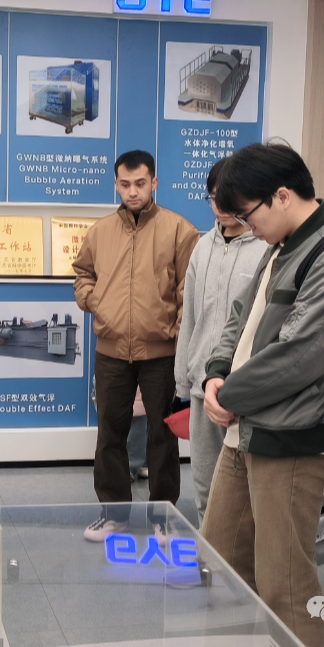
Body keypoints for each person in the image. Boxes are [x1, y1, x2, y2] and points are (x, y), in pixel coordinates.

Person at [200, 142, 324, 647]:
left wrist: (229, 394)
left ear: (281, 196)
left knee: (286, 586)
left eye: (247, 214)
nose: (245, 226)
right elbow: (241, 317)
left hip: (293, 437)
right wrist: (216, 373)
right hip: (250, 426)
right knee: (222, 560)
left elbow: (299, 357)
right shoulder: (282, 245)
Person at [73, 149, 199, 542]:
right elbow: (82, 274)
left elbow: (189, 289)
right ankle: (114, 515)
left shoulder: (179, 230)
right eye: (125, 184)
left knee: (162, 437)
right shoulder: (100, 232)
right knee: (110, 435)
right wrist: (97, 303)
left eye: (140, 183)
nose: (132, 191)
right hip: (111, 350)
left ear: (154, 183)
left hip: (161, 353)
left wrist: (176, 331)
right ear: (116, 184)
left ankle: (163, 516)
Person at [174, 159, 267, 525]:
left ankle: (237, 557)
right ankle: (207, 553)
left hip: (243, 390)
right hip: (202, 385)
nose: (222, 206)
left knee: (242, 491)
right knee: (204, 486)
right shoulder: (202, 247)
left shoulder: (265, 247)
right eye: (214, 198)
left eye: (230, 197)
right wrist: (183, 379)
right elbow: (190, 316)